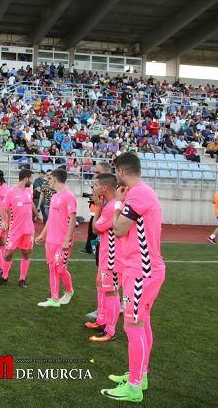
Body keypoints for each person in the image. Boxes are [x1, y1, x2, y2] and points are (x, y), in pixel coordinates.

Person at [101, 152, 166, 403]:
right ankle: (140, 375)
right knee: (143, 322)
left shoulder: (137, 194)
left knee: (133, 325)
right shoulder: (142, 192)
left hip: (141, 271)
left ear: (120, 172)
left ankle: (134, 386)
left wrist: (117, 204)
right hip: (140, 269)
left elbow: (117, 230)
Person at [85, 173, 121, 342]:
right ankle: (102, 321)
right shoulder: (110, 205)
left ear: (105, 188)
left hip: (113, 258)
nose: (95, 188)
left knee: (111, 291)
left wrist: (98, 208)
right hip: (107, 254)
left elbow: (95, 229)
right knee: (101, 286)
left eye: (96, 185)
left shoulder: (112, 207)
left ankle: (110, 331)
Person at [35, 168, 76, 307]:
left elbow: (72, 219)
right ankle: (54, 299)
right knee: (52, 268)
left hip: (62, 241)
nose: (48, 182)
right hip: (50, 240)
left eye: (50, 179)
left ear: (55, 179)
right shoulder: (54, 196)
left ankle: (69, 291)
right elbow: (51, 219)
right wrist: (42, 234)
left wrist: (66, 240)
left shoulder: (69, 196)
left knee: (60, 269)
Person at [0, 169, 42, 287]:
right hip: (14, 230)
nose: (32, 181)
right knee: (8, 254)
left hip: (28, 230)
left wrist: (37, 215)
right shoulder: (11, 192)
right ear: (26, 178)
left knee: (26, 253)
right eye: (31, 178)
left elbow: (32, 204)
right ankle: (4, 276)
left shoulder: (29, 191)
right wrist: (3, 220)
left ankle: (22, 279)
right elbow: (3, 208)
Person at [80, 162, 113, 255]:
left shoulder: (117, 195)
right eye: (94, 172)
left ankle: (90, 249)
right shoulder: (101, 194)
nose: (95, 176)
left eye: (97, 173)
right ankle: (92, 249)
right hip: (103, 242)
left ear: (107, 173)